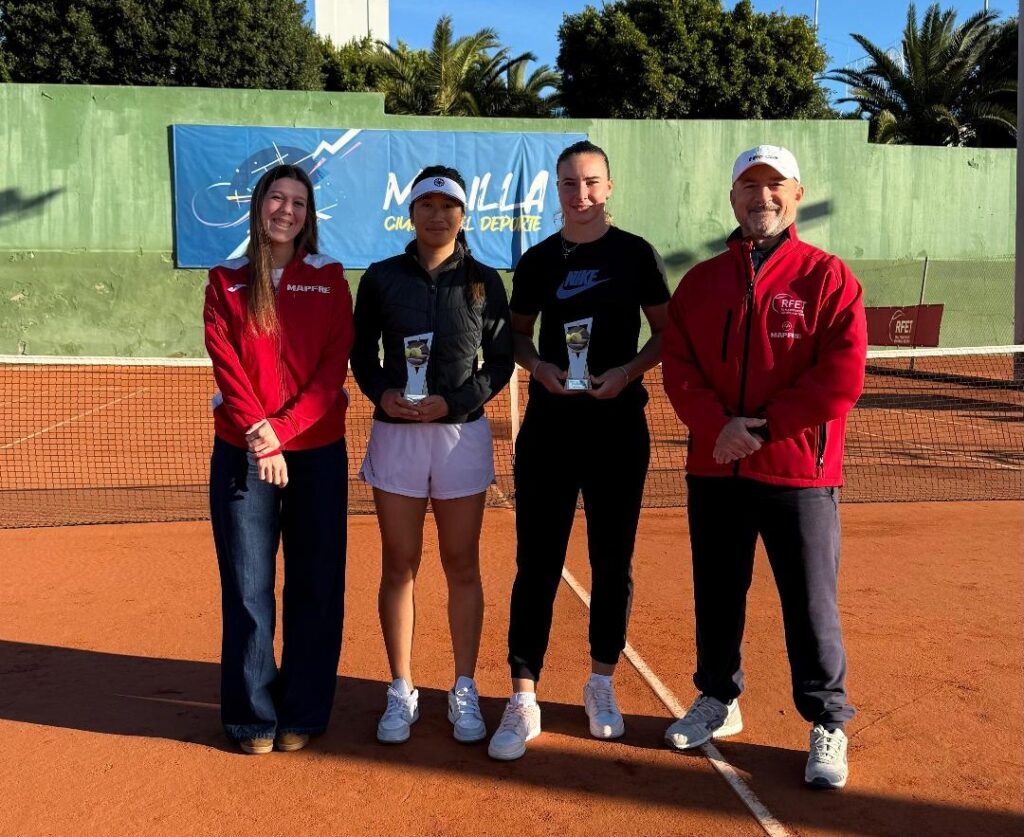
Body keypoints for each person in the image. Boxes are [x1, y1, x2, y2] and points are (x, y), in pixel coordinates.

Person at [660, 145, 867, 789]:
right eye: (749, 186)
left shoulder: (828, 278)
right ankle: (718, 699)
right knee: (717, 596)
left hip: (800, 476)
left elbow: (841, 377)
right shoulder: (699, 284)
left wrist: (762, 430)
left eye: (774, 185)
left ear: (797, 194)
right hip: (716, 470)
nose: (762, 197)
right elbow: (680, 367)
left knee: (810, 605)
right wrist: (716, 429)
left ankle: (827, 720)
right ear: (732, 199)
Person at [487, 141, 670, 761]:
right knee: (536, 563)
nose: (581, 194)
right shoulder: (538, 261)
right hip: (549, 432)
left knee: (611, 563)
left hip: (619, 430)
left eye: (591, 182)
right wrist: (536, 366)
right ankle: (523, 696)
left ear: (609, 187)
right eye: (570, 183)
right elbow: (514, 336)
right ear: (557, 190)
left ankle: (600, 684)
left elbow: (667, 334)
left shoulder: (636, 254)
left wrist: (627, 372)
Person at [351, 165, 514, 745]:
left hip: (460, 435)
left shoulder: (484, 282)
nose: (437, 215)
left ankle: (463, 688)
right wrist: (383, 394)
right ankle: (402, 689)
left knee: (462, 563)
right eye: (427, 205)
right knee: (399, 564)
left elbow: (499, 362)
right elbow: (361, 354)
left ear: (462, 215)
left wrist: (453, 401)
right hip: (395, 435)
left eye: (448, 207)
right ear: (412, 212)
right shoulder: (380, 279)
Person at [204, 164, 354, 755]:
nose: (286, 210)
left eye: (298, 201)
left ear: (309, 214)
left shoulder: (331, 277)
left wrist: (284, 432)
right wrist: (261, 436)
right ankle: (250, 715)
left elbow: (331, 368)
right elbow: (225, 360)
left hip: (316, 455)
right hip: (243, 453)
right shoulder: (225, 280)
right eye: (277, 198)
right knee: (248, 587)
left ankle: (305, 711)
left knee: (316, 585)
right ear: (258, 205)